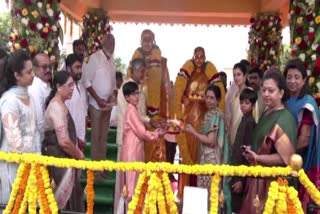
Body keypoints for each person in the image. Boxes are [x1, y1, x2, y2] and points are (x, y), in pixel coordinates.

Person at [239, 70, 297, 214]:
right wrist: (251, 150)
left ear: (281, 93)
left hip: (272, 185)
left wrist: (258, 158)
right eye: (264, 90)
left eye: (271, 91)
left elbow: (285, 159)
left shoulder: (285, 119)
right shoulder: (266, 112)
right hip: (258, 180)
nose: (265, 94)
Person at [174, 47, 225, 199]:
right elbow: (180, 96)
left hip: (203, 119)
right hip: (189, 118)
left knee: (201, 153)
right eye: (197, 56)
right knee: (188, 152)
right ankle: (185, 191)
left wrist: (202, 100)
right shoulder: (188, 74)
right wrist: (185, 99)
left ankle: (202, 195)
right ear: (193, 57)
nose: (199, 59)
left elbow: (212, 97)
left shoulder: (208, 74)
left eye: (202, 56)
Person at [0, 50, 40, 204]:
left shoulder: (29, 97)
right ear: (17, 75)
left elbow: (35, 130)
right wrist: (27, 157)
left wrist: (36, 157)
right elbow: (13, 140)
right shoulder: (10, 100)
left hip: (31, 163)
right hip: (14, 164)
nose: (33, 75)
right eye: (29, 72)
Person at [114, 58, 154, 213]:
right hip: (128, 141)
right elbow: (132, 116)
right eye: (142, 71)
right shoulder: (126, 88)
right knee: (126, 181)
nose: (144, 74)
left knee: (135, 178)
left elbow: (140, 114)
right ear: (134, 70)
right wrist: (153, 131)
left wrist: (150, 120)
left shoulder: (137, 88)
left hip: (137, 141)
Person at [42, 70, 85, 212]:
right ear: (59, 87)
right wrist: (79, 155)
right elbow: (64, 141)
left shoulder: (61, 104)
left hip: (64, 161)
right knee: (63, 205)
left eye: (73, 85)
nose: (73, 88)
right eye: (70, 85)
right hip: (59, 163)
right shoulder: (56, 107)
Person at [184, 84, 230, 211]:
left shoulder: (216, 115)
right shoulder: (210, 114)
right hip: (206, 160)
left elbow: (211, 141)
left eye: (212, 98)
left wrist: (194, 132)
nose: (208, 100)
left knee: (211, 196)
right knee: (207, 197)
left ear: (218, 100)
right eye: (207, 97)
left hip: (211, 162)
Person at [127, 29, 170, 162]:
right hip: (137, 115)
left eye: (149, 40)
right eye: (144, 40)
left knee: (155, 152)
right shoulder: (133, 64)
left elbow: (166, 88)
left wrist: (165, 113)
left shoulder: (161, 62)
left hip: (155, 113)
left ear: (154, 41)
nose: (147, 43)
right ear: (140, 41)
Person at [119, 81, 165, 203]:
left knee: (135, 181)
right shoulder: (131, 111)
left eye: (137, 93)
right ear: (127, 97)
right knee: (132, 185)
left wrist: (155, 131)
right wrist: (156, 134)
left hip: (135, 147)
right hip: (132, 150)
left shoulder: (134, 109)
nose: (137, 97)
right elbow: (142, 132)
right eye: (133, 95)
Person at [284, 59, 320, 211]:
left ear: (304, 80)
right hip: (287, 159)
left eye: (297, 77)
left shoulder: (307, 103)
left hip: (303, 161)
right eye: (289, 77)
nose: (292, 81)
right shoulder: (285, 101)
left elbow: (304, 140)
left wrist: (282, 154)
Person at [82, 34, 117, 179]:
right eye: (109, 41)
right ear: (103, 42)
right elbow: (86, 81)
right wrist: (98, 98)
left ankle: (101, 168)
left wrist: (109, 97)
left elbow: (113, 84)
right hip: (96, 105)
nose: (111, 44)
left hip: (107, 105)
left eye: (113, 42)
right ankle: (95, 171)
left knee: (103, 138)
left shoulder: (112, 61)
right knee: (96, 138)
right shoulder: (94, 58)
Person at [230, 88, 257, 213]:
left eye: (246, 103)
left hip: (242, 173)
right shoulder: (244, 119)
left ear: (253, 105)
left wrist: (241, 180)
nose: (243, 106)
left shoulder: (250, 123)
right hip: (237, 170)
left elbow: (247, 154)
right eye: (241, 102)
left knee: (239, 206)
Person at [65, 54, 88, 151]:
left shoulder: (82, 88)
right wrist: (75, 137)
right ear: (68, 69)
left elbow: (85, 114)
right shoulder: (65, 90)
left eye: (81, 67)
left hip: (81, 137)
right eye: (77, 67)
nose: (80, 71)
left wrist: (84, 135)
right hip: (70, 138)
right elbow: (65, 117)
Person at [28, 53, 52, 143]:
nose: (48, 70)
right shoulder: (35, 88)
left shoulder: (45, 84)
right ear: (35, 68)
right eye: (44, 67)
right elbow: (39, 120)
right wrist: (43, 142)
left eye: (50, 66)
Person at [225, 62, 247, 145]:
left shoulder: (249, 93)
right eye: (234, 75)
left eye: (238, 74)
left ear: (245, 76)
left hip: (244, 135)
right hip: (233, 134)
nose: (236, 78)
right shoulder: (235, 94)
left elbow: (254, 117)